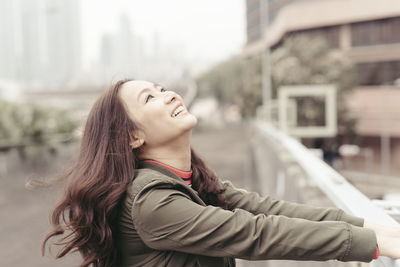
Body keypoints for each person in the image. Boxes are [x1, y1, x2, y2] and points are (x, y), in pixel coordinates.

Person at [41, 79, 400, 267]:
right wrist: (374, 245)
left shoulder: (189, 180)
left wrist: (372, 227)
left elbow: (269, 210)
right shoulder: (151, 201)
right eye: (149, 99)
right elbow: (255, 233)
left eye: (161, 89)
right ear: (133, 136)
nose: (168, 96)